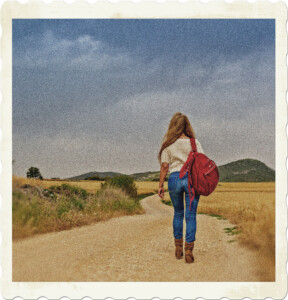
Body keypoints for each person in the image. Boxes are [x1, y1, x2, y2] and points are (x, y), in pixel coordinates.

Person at [158, 112, 205, 263]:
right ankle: (189, 251)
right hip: (191, 181)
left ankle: (178, 249)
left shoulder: (168, 144)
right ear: (187, 126)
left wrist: (160, 185)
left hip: (174, 179)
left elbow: (165, 166)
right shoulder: (194, 143)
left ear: (172, 126)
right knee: (190, 216)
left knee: (178, 213)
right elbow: (202, 162)